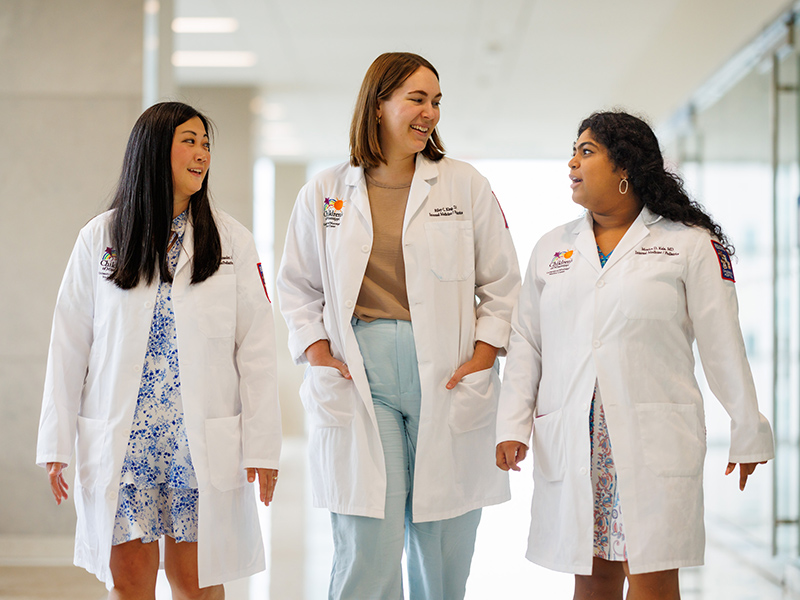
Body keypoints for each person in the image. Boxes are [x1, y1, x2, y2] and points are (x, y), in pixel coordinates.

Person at [495, 110, 775, 600]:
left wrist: (746, 426)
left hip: (652, 438)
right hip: (580, 437)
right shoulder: (552, 248)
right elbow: (527, 344)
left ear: (624, 166)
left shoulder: (688, 243)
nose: (571, 163)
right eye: (573, 152)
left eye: (586, 152)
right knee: (593, 577)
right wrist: (511, 425)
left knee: (653, 580)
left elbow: (722, 342)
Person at [277, 52, 520, 599]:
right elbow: (298, 286)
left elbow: (503, 284)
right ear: (379, 103)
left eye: (436, 102)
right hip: (361, 377)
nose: (430, 112)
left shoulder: (464, 185)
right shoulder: (324, 192)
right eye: (417, 98)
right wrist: (316, 351)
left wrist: (484, 355)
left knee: (443, 545)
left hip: (450, 374)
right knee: (369, 541)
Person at [36, 101, 281, 599]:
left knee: (196, 583)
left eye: (206, 143)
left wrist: (262, 445)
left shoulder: (230, 239)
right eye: (188, 140)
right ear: (153, 150)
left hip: (197, 446)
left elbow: (256, 349)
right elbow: (69, 343)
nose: (202, 153)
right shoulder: (101, 237)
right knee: (129, 583)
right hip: (125, 445)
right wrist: (56, 441)